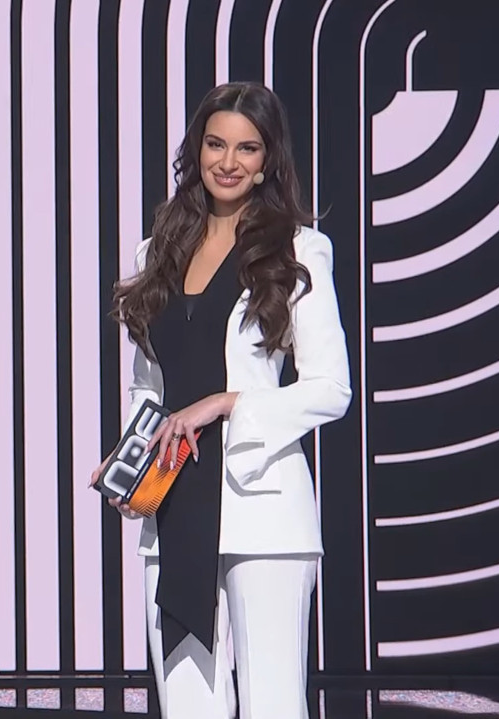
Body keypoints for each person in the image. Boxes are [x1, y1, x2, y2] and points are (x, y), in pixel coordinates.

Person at [96, 82, 351, 718]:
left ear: (267, 160)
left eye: (247, 148)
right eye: (216, 144)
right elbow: (149, 387)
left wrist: (227, 403)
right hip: (174, 502)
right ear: (197, 150)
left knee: (272, 705)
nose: (229, 162)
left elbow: (331, 389)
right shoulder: (157, 251)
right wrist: (129, 462)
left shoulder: (298, 248)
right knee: (187, 706)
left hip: (262, 510)